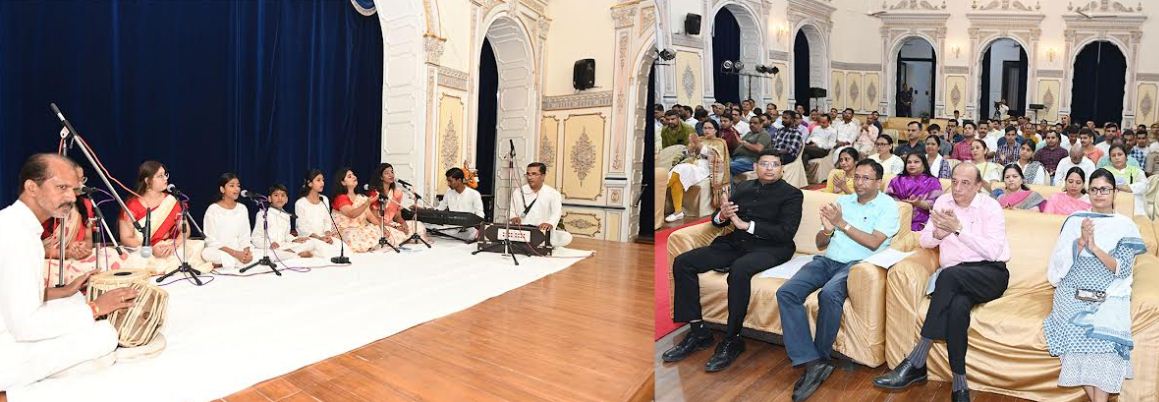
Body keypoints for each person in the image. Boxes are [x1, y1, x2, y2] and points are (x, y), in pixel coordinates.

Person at [873, 163, 1011, 402]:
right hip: (956, 279)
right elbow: (925, 241)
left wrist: (958, 229)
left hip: (990, 274)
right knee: (957, 308)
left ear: (979, 185)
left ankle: (916, 360)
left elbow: (993, 251)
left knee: (947, 276)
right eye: (954, 181)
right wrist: (940, 233)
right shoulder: (943, 202)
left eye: (965, 183)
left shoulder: (990, 207)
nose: (957, 188)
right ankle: (960, 385)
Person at [0, 153, 138, 390]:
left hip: (10, 326)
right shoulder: (16, 236)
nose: (70, 197)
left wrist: (64, 290)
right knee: (104, 335)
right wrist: (97, 308)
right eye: (61, 187)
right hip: (7, 348)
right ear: (32, 187)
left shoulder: (14, 223)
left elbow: (10, 294)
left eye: (73, 189)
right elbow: (24, 326)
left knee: (73, 302)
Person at [663, 150, 803, 372]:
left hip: (772, 248)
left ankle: (733, 338)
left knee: (739, 270)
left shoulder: (792, 194)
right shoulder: (744, 187)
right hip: (736, 243)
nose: (769, 168)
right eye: (764, 163)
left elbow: (785, 232)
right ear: (756, 166)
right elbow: (719, 221)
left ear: (782, 169)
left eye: (774, 165)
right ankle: (699, 331)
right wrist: (722, 215)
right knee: (683, 262)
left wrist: (747, 226)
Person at [779, 159, 900, 401]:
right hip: (827, 260)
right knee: (786, 293)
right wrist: (826, 230)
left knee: (829, 294)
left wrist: (841, 224)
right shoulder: (842, 201)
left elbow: (874, 242)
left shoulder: (888, 206)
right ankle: (811, 361)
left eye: (866, 178)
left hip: (857, 266)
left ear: (878, 182)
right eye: (857, 177)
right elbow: (820, 243)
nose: (859, 182)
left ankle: (822, 357)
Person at [1044, 168, 1146, 402]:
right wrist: (1080, 243)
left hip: (1108, 290)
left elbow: (1123, 269)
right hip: (1072, 289)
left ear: (1114, 193)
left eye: (1105, 189)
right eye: (1094, 189)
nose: (1099, 194)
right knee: (1074, 329)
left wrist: (1095, 248)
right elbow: (1058, 265)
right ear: (1087, 192)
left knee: (1103, 336)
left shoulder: (1125, 225)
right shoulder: (1075, 220)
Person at [41, 165, 130, 287]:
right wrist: (66, 253)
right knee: (46, 273)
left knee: (116, 256)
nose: (80, 184)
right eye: (76, 179)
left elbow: (88, 240)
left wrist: (83, 248)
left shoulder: (86, 204)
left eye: (82, 179)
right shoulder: (46, 207)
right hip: (52, 261)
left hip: (77, 259)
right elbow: (35, 249)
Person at [118, 160, 209, 274]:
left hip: (168, 246)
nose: (166, 179)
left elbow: (185, 229)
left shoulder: (170, 201)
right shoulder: (132, 205)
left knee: (197, 248)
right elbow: (126, 238)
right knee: (137, 260)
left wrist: (174, 245)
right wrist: (150, 248)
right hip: (142, 249)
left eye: (166, 175)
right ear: (148, 181)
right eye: (160, 176)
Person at [666, 119, 729, 222]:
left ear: (715, 130)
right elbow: (687, 153)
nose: (707, 130)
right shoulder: (700, 139)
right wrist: (689, 149)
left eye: (710, 128)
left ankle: (660, 189)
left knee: (680, 170)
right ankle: (678, 212)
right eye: (705, 128)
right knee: (677, 178)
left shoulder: (720, 142)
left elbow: (717, 158)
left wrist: (699, 146)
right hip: (692, 164)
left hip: (706, 168)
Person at [201, 173, 256, 270]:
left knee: (260, 253)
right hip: (220, 250)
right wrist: (236, 254)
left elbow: (245, 235)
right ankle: (238, 261)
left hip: (239, 248)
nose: (237, 189)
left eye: (238, 186)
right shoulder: (213, 209)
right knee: (206, 253)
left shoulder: (242, 208)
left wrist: (246, 251)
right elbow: (211, 240)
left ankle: (232, 262)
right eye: (232, 186)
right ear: (222, 189)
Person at [509, 162, 572, 248]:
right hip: (522, 230)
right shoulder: (518, 192)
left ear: (543, 176)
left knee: (567, 237)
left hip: (541, 231)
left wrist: (549, 223)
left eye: (534, 174)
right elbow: (511, 210)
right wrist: (513, 217)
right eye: (528, 174)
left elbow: (556, 213)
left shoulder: (553, 193)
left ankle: (546, 242)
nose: (530, 177)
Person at [251, 184, 322, 259]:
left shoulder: (286, 215)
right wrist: (270, 244)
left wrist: (295, 239)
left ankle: (291, 254)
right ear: (269, 198)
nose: (280, 198)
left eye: (282, 195)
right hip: (270, 248)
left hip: (284, 246)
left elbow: (286, 235)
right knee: (269, 254)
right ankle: (295, 255)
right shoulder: (263, 214)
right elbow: (255, 238)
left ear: (286, 200)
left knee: (311, 242)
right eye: (276, 195)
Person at [366, 163, 428, 246]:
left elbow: (397, 216)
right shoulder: (375, 193)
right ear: (381, 177)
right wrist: (395, 227)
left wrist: (403, 224)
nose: (391, 175)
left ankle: (401, 237)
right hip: (378, 224)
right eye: (387, 173)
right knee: (383, 234)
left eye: (392, 172)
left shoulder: (397, 193)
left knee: (418, 226)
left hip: (391, 223)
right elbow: (374, 217)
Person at [330, 167, 384, 253]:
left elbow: (371, 217)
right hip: (344, 231)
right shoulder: (340, 198)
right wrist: (367, 202)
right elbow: (352, 214)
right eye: (349, 176)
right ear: (343, 182)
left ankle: (369, 245)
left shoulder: (361, 198)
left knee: (377, 229)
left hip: (359, 229)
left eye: (353, 175)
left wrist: (383, 228)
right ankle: (367, 246)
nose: (354, 177)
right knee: (351, 235)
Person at [293, 169, 344, 256]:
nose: (322, 183)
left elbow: (327, 220)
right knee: (317, 249)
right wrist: (319, 238)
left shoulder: (324, 199)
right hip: (310, 238)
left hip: (324, 236)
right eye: (318, 180)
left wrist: (327, 233)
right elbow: (302, 227)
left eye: (323, 180)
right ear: (309, 183)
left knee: (341, 248)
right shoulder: (300, 203)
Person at [887, 152, 943, 231]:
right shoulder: (897, 180)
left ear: (924, 164)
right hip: (897, 217)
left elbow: (938, 205)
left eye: (916, 162)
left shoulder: (933, 182)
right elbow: (888, 200)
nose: (912, 164)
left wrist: (919, 203)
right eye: (909, 162)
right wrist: (903, 204)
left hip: (922, 221)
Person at [428, 168, 485, 241]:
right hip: (451, 228)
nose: (448, 184)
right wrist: (426, 210)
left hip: (468, 230)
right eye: (448, 181)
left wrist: (473, 225)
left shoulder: (474, 194)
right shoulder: (449, 193)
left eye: (450, 181)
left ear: (459, 180)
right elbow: (440, 209)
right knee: (429, 226)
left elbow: (480, 215)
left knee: (470, 234)